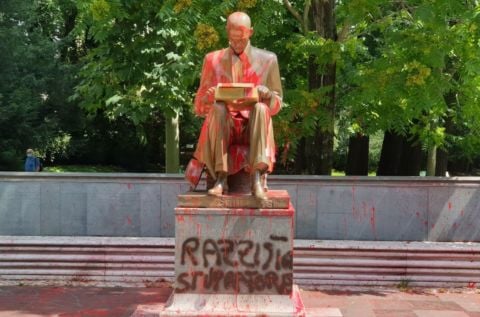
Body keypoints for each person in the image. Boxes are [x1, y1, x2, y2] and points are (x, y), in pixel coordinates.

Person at [192, 11, 283, 200]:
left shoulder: (268, 60)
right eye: (233, 39)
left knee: (260, 108)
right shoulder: (212, 60)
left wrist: (268, 96)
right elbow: (198, 108)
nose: (237, 44)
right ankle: (221, 178)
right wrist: (208, 99)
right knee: (217, 108)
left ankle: (256, 178)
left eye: (241, 39)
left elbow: (276, 105)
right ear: (227, 32)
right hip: (224, 125)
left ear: (250, 32)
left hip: (254, 126)